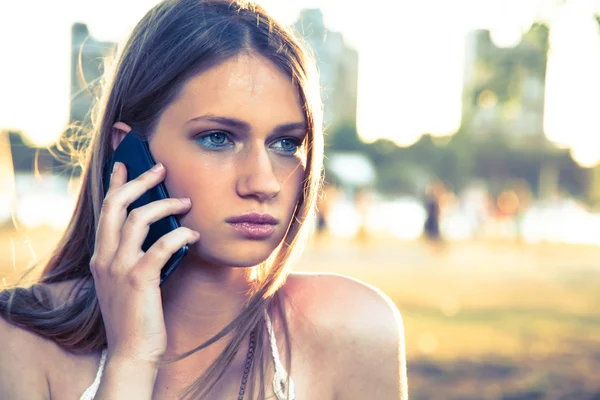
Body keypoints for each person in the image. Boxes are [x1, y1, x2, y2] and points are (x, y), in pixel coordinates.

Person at [0, 1, 408, 399]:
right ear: (129, 154)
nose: (264, 183)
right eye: (218, 138)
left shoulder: (353, 330)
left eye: (286, 143)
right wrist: (132, 359)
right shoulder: (20, 342)